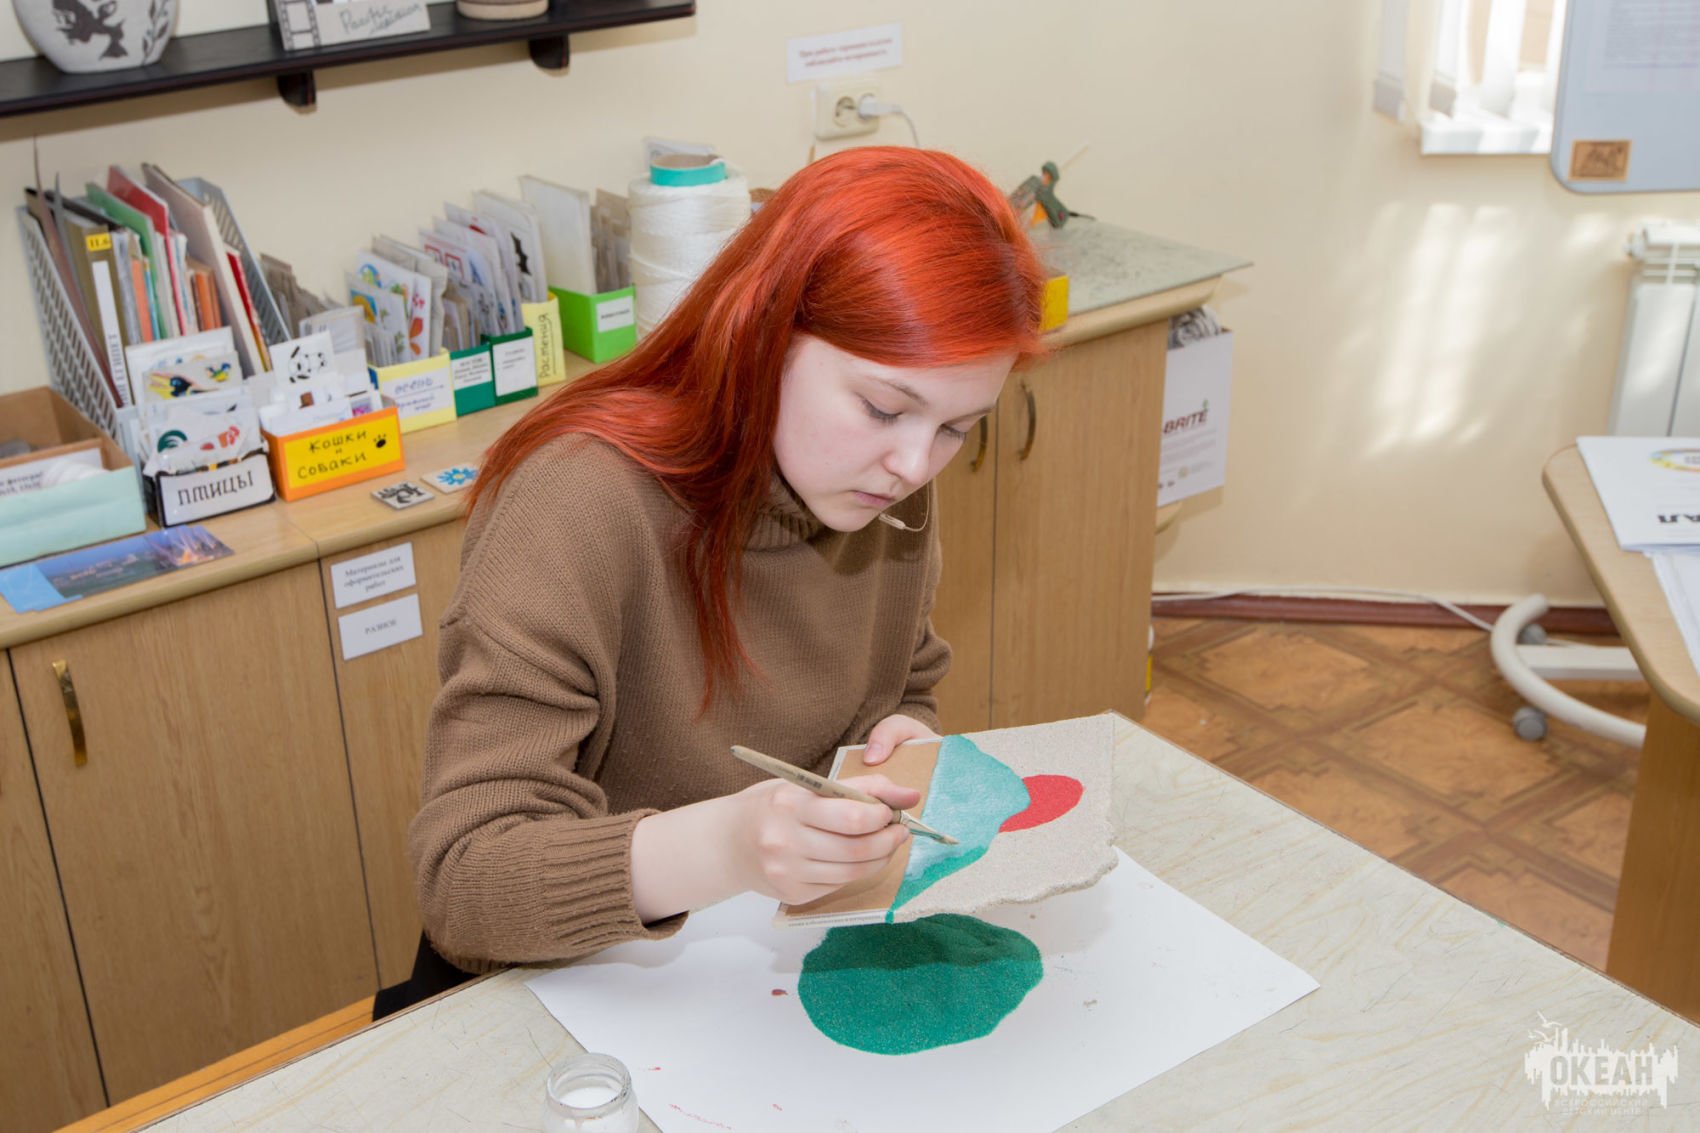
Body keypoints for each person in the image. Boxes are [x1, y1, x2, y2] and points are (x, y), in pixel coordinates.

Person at [397, 146, 1045, 1001]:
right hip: (563, 991)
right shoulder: (578, 501)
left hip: (743, 973)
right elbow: (465, 880)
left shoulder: (879, 482)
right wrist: (726, 847)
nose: (915, 464)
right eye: (884, 407)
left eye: (958, 428)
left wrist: (900, 741)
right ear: (765, 333)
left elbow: (904, 681)